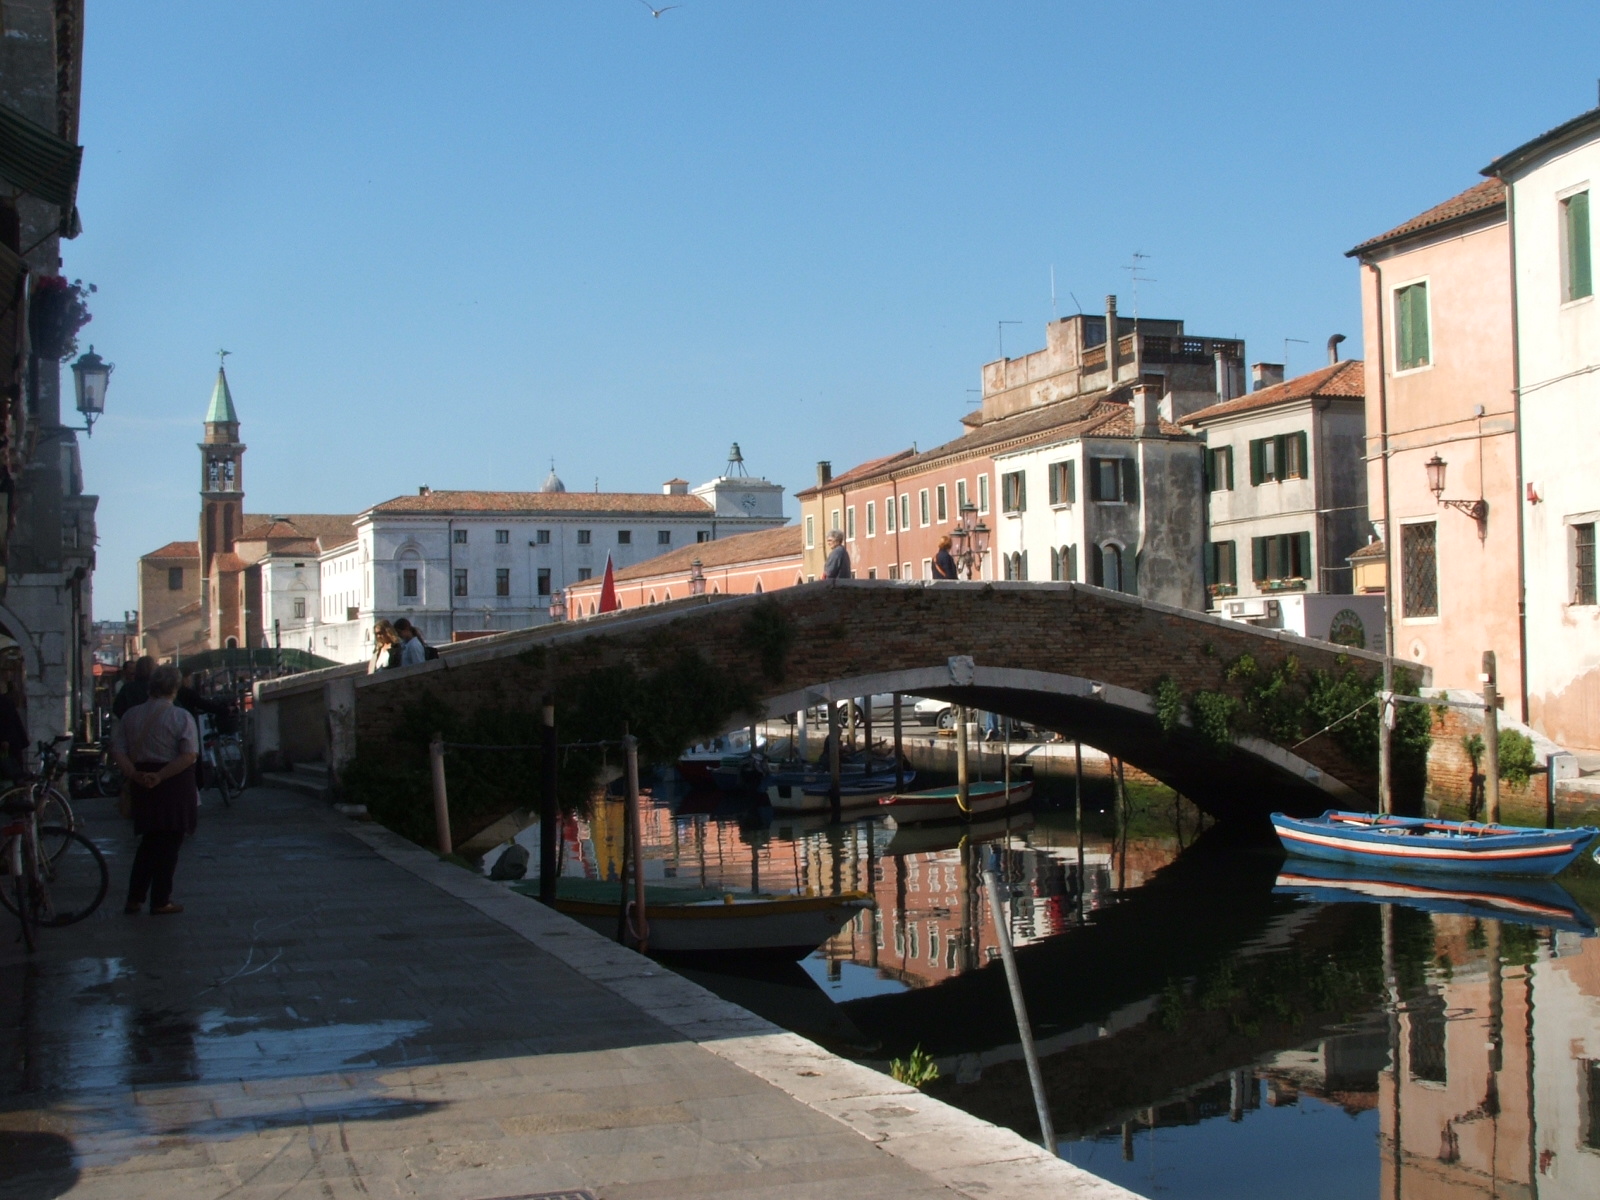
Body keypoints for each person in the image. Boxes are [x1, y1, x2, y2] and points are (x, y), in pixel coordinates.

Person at [111, 665, 199, 916]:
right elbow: (189, 755)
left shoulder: (131, 716)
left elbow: (117, 750)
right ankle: (161, 899)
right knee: (170, 842)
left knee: (149, 841)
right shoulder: (181, 717)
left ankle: (135, 897)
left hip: (142, 782)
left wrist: (135, 774)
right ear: (175, 688)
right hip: (172, 783)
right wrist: (159, 776)